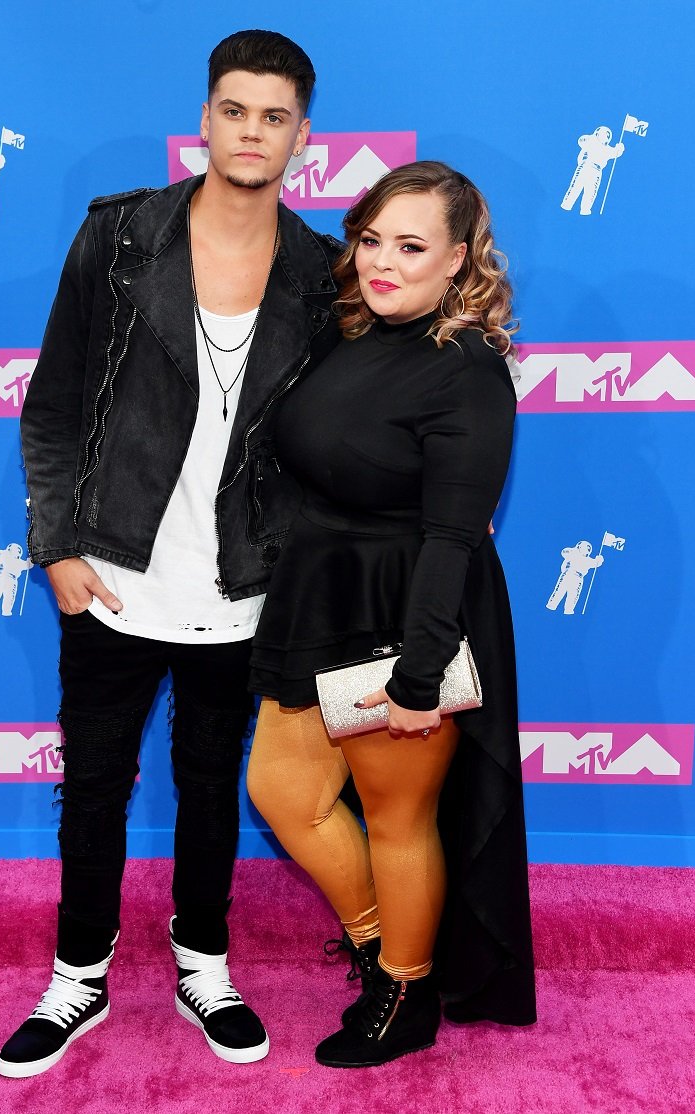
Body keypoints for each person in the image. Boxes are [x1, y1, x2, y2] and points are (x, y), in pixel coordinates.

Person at [0, 30, 342, 1078]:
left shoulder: (324, 273)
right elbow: (51, 404)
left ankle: (203, 962)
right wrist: (55, 541)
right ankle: (78, 977)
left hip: (244, 588)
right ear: (202, 120)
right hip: (111, 575)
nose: (251, 131)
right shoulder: (119, 237)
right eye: (234, 110)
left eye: (273, 116)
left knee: (207, 785)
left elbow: (338, 438)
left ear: (301, 136)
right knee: (95, 786)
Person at [247, 161, 537, 1068]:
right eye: (371, 238)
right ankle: (380, 943)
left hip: (403, 608)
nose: (382, 262)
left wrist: (419, 677)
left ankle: (404, 994)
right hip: (320, 591)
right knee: (284, 794)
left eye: (411, 247)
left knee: (396, 815)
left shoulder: (470, 374)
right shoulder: (354, 333)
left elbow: (454, 538)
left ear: (458, 260)